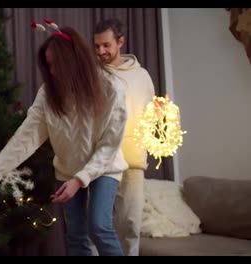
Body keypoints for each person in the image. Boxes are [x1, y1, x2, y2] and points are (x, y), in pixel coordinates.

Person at [0, 24, 128, 256]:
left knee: (99, 226)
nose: (52, 71)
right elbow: (25, 137)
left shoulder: (111, 88)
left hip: (104, 166)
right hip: (67, 170)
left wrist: (80, 180)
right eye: (48, 65)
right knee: (75, 235)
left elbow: (109, 144)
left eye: (57, 64)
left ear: (73, 60)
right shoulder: (48, 93)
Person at [93, 18, 156, 256]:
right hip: (100, 160)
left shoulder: (142, 76)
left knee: (130, 224)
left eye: (106, 45)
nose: (101, 51)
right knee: (97, 224)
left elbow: (151, 116)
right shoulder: (94, 75)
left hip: (133, 161)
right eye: (97, 46)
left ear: (121, 42)